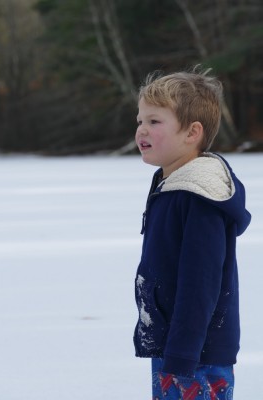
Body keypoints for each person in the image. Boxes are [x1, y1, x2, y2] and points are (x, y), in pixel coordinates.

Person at [133, 67, 251, 400]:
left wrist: (182, 354)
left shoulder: (199, 197)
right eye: (140, 120)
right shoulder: (171, 185)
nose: (142, 129)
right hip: (176, 347)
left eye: (154, 122)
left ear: (192, 132)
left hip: (196, 355)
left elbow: (201, 282)